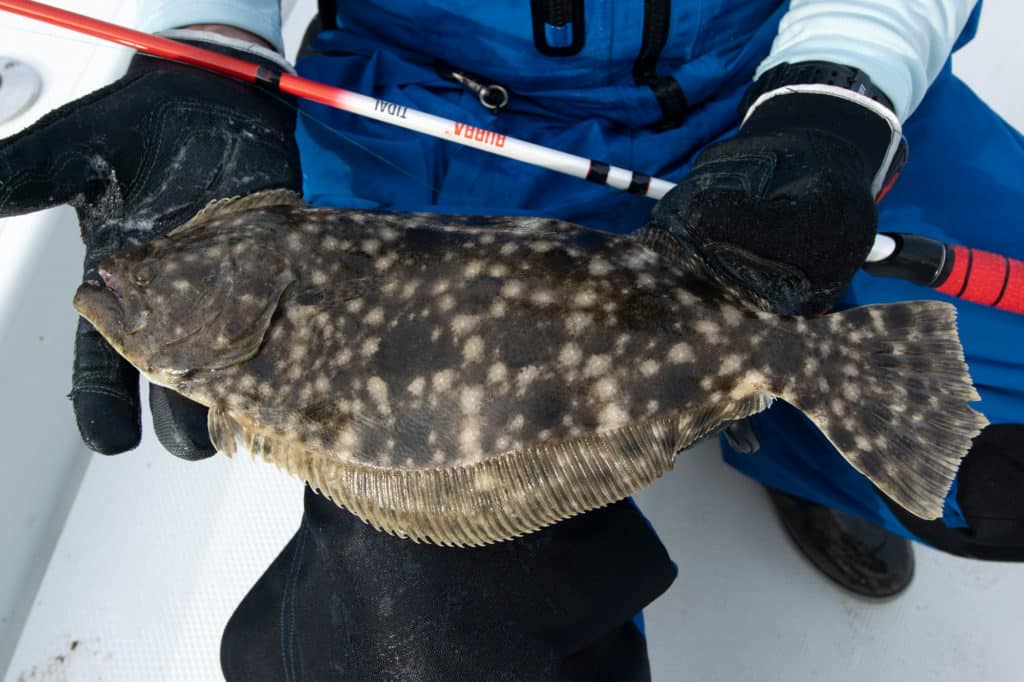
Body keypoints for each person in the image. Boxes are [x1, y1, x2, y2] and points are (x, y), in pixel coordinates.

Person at [1, 0, 1022, 679]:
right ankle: (755, 397)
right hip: (422, 102)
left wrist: (838, 102)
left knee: (1004, 471)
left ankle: (795, 438)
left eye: (141, 281)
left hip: (779, 74)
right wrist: (210, 40)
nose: (117, 288)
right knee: (421, 634)